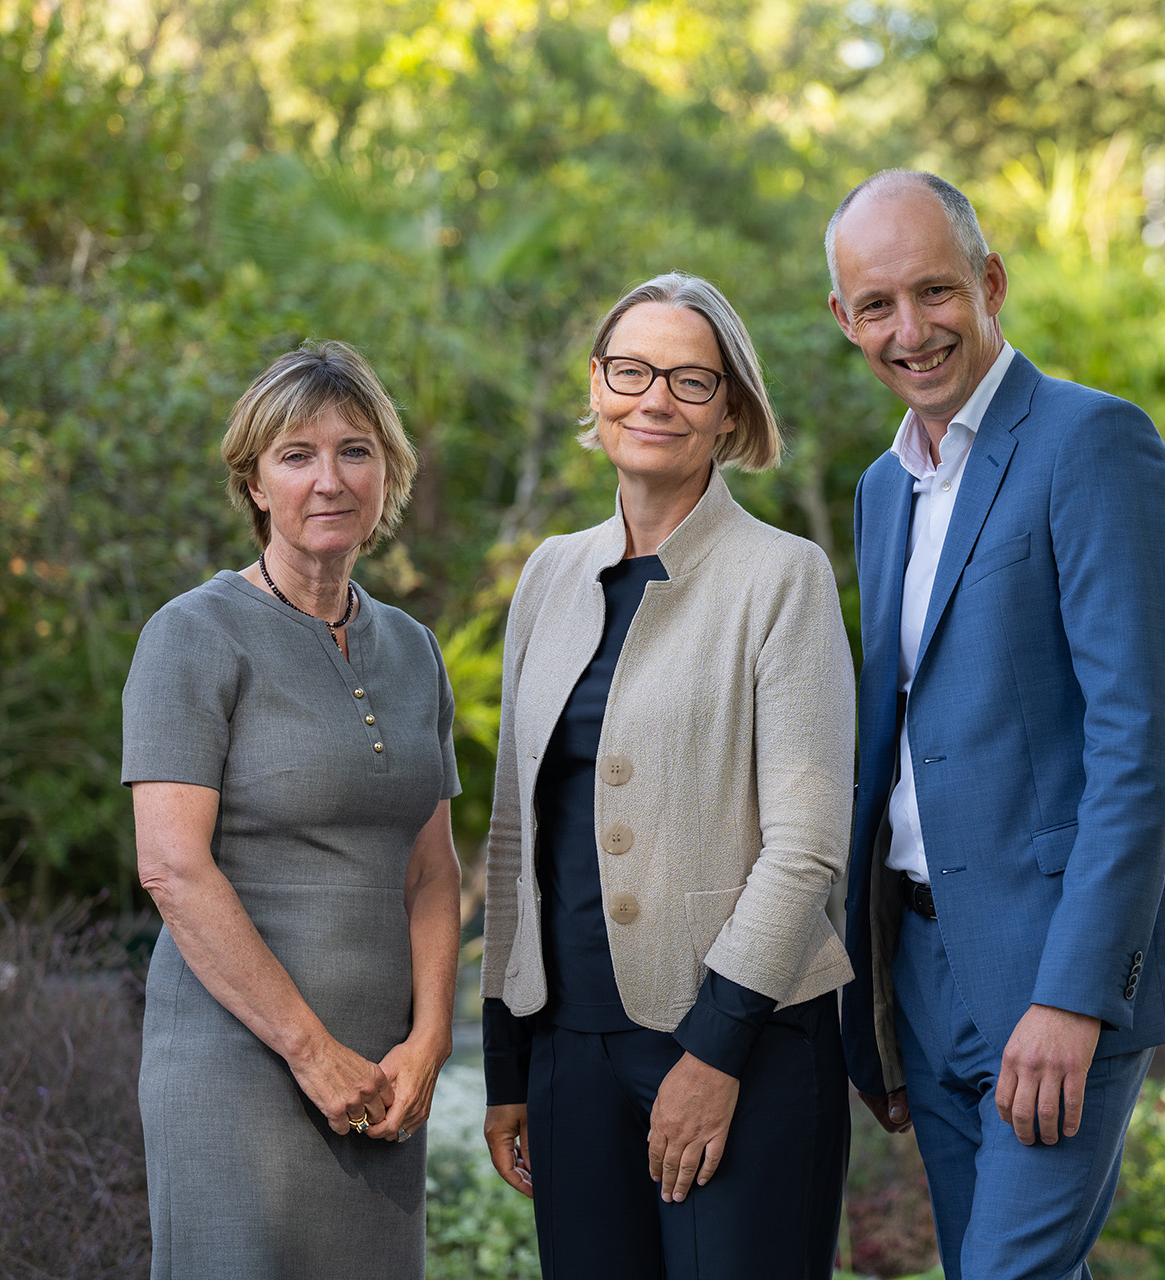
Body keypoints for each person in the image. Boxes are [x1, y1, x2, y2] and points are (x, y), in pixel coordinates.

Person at [827, 171, 1165, 1279]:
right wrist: (870, 990)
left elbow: (1139, 745)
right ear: (844, 320)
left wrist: (1072, 995)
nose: (910, 330)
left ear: (991, 281)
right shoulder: (881, 490)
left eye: (934, 291)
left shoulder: (1093, 443)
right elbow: (895, 744)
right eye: (877, 306)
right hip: (918, 967)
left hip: (1054, 967)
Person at [479, 272, 855, 1280]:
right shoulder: (550, 573)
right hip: (569, 1050)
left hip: (744, 1047)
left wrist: (715, 1048)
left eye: (691, 379)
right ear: (596, 386)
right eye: (631, 370)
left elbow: (810, 841)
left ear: (731, 406)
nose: (655, 400)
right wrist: (509, 1058)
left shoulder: (783, 577)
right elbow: (517, 829)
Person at [122, 340, 463, 1280]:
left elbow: (431, 867)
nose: (329, 478)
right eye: (296, 454)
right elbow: (171, 868)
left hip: (385, 1082)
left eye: (355, 450)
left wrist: (429, 1036)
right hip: (238, 1070)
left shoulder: (414, 649)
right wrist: (312, 1054)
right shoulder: (191, 636)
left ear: (386, 472)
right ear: (254, 480)